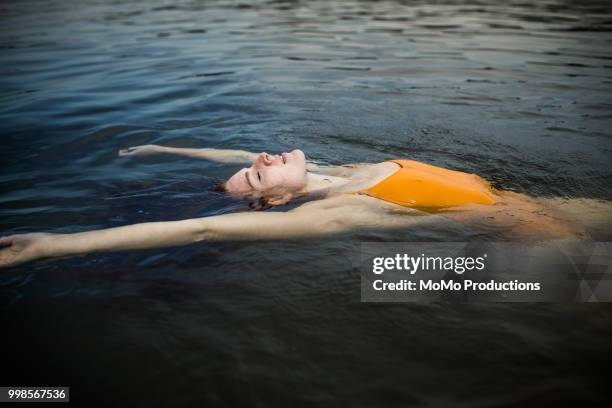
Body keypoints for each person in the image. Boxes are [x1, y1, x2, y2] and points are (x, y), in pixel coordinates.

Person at [0, 144, 608, 268]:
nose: (259, 156)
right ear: (279, 198)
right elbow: (200, 231)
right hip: (532, 235)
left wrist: (165, 147)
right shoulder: (342, 207)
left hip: (542, 203)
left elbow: (231, 153)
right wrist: (57, 243)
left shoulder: (335, 171)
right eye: (254, 174)